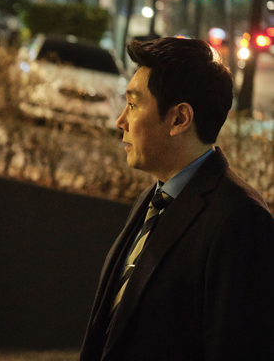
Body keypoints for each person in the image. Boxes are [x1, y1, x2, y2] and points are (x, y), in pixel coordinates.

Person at [80, 37, 274, 360]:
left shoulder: (241, 221)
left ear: (179, 119)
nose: (120, 121)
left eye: (133, 105)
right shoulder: (153, 199)